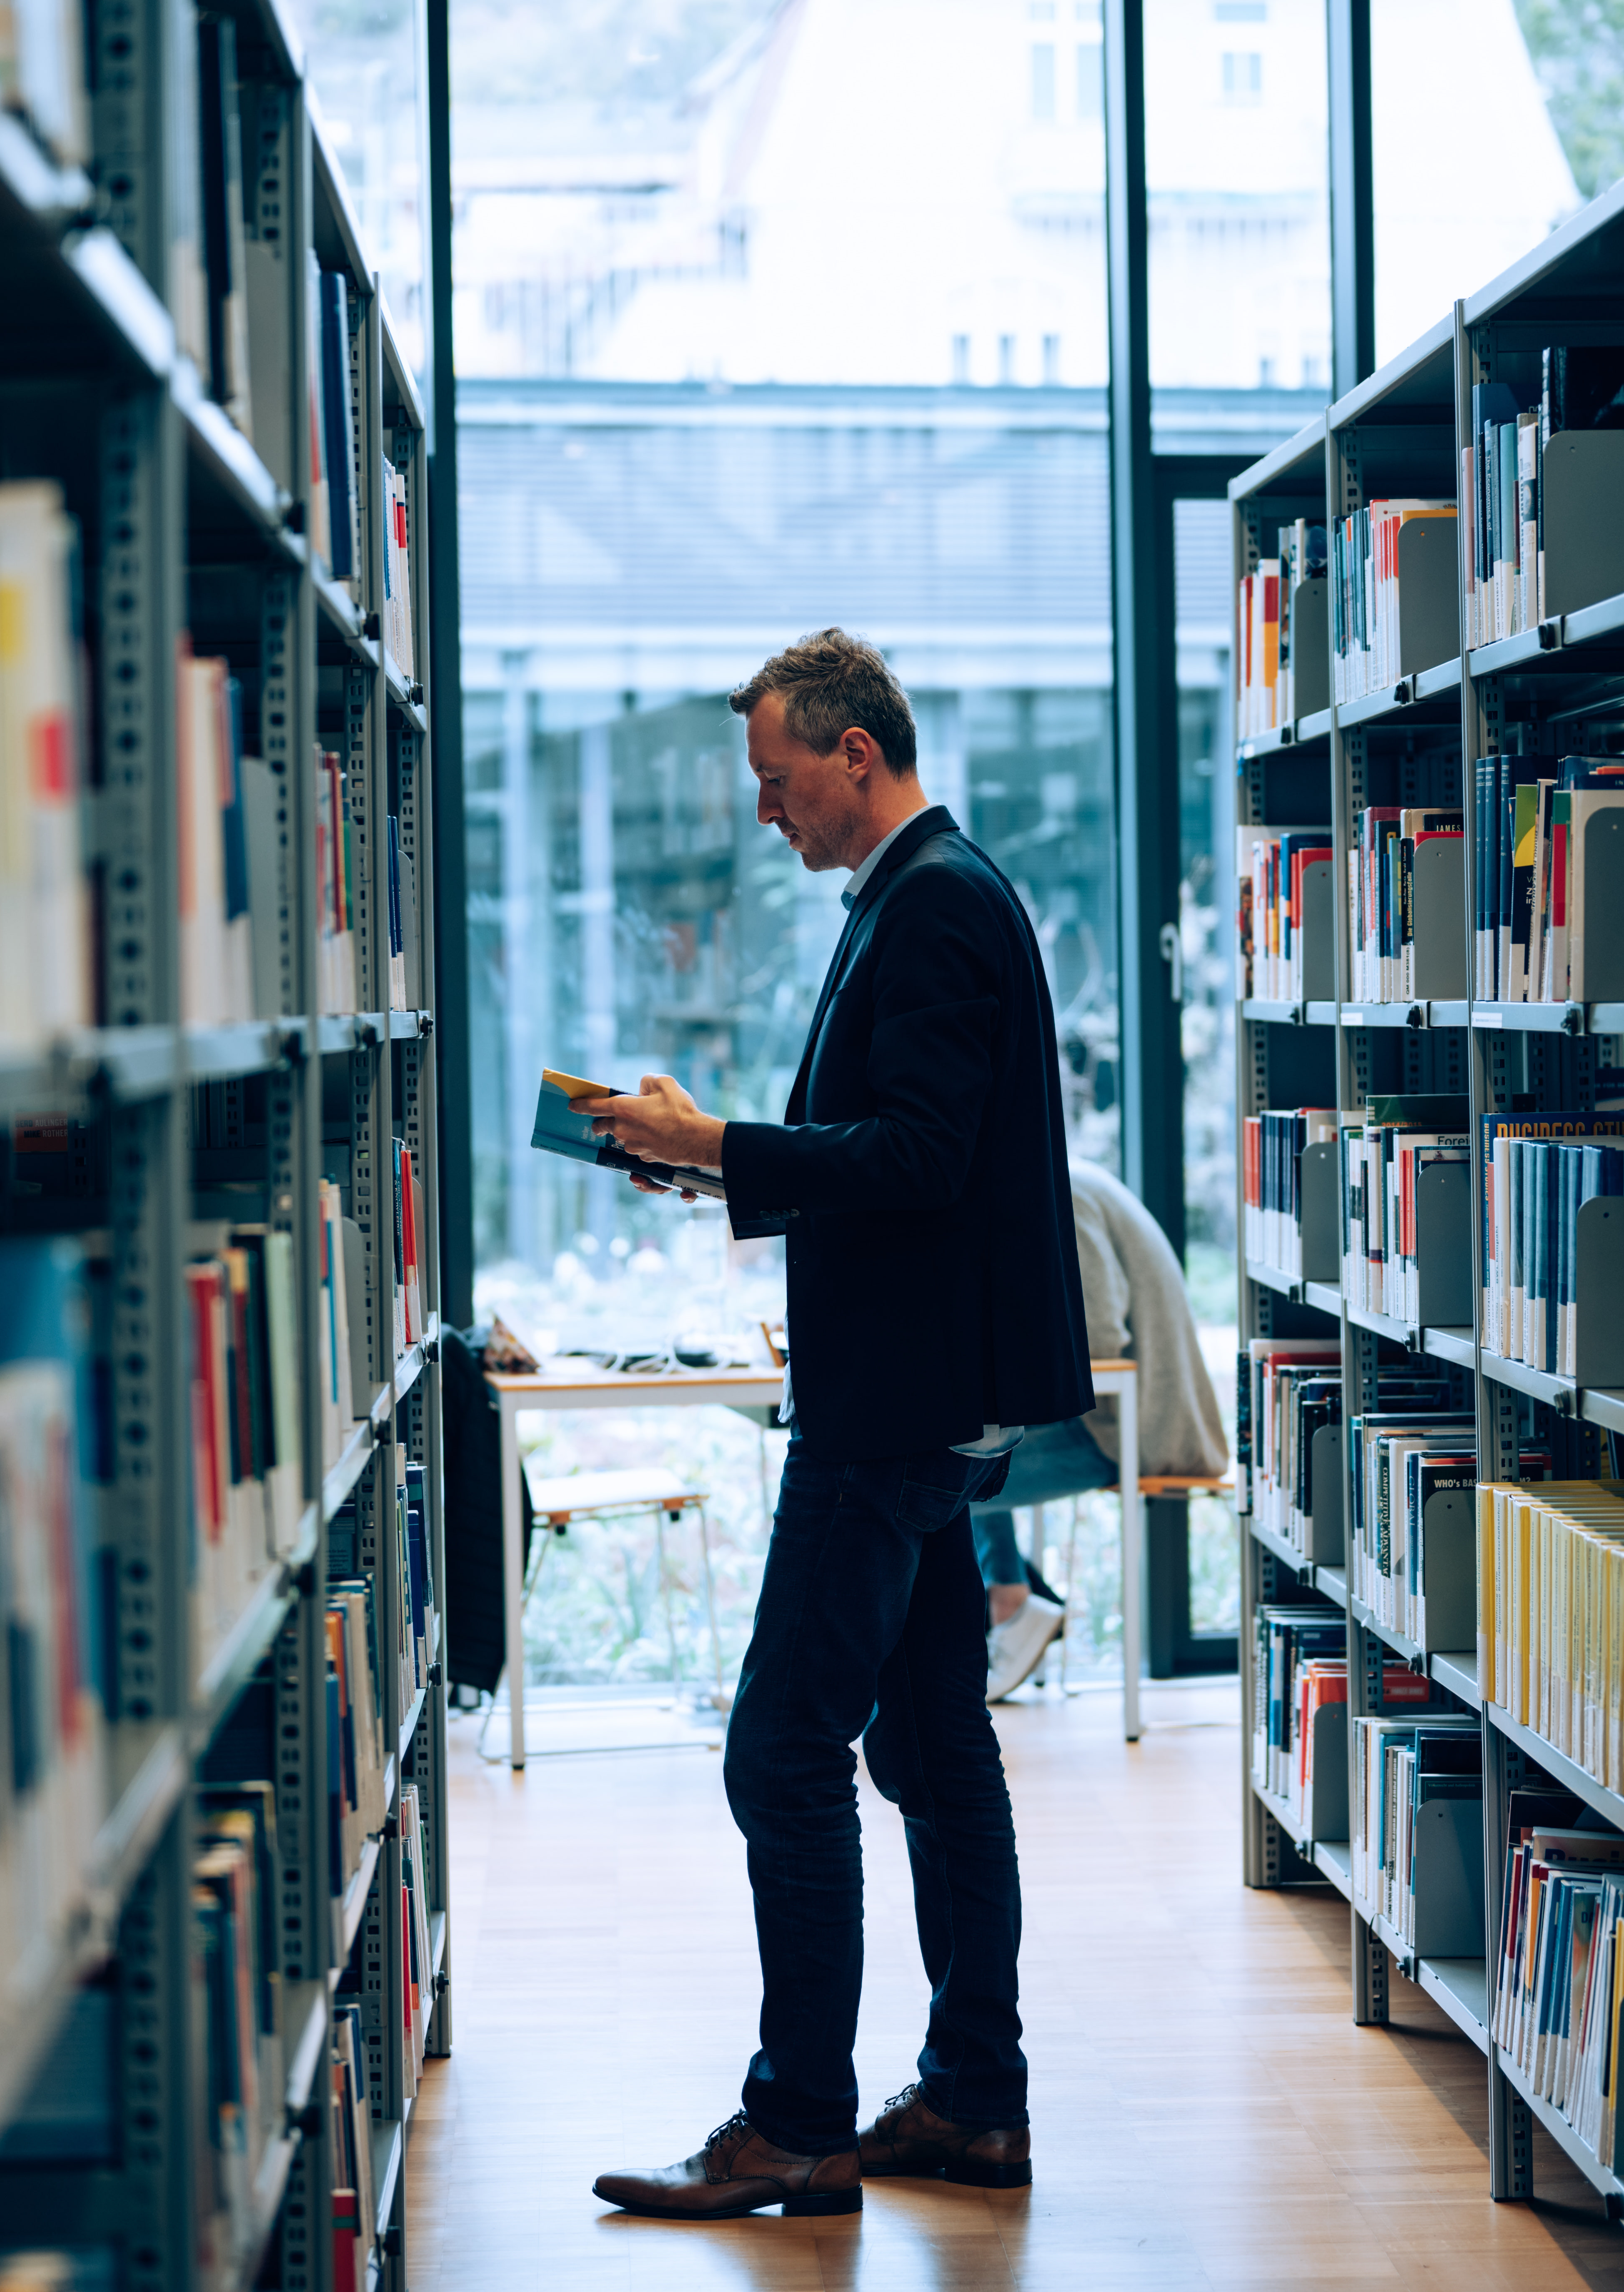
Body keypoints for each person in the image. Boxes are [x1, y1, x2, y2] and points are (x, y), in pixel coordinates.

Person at [576, 628, 1090, 2220]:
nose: (762, 811)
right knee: (932, 1745)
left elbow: (921, 1156)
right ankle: (971, 2101)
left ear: (852, 755)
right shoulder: (928, 891)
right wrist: (703, 1158)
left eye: (775, 778)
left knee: (778, 1752)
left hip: (891, 1415)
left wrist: (726, 1137)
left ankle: (795, 2118)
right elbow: (890, 1147)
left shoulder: (933, 902)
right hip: (927, 1401)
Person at [967, 1156, 1234, 1700]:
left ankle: (1008, 1596)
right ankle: (1010, 1592)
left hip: (1134, 1430)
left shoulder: (1060, 1195)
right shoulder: (1058, 1178)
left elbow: (1098, 1343)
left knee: (941, 1475)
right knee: (958, 1444)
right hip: (1115, 1419)